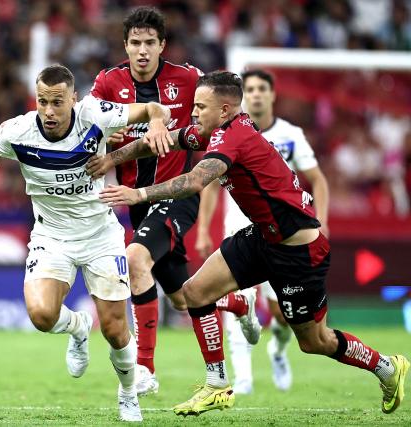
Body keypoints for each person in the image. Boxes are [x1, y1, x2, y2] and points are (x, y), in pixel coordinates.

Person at [88, 70, 409, 417]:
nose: (193, 113)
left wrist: (138, 194)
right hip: (262, 237)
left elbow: (196, 180)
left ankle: (387, 368)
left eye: (201, 107)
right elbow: (165, 139)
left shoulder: (233, 137)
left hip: (299, 250)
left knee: (314, 341)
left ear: (224, 110)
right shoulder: (215, 130)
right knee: (194, 292)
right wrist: (111, 159)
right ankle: (217, 385)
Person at [0, 64, 172, 422]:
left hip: (100, 234)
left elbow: (154, 108)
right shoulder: (18, 131)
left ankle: (128, 393)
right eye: (42, 102)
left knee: (114, 330)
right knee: (41, 314)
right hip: (51, 235)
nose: (48, 111)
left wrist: (157, 121)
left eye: (57, 103)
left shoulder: (94, 114)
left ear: (73, 99)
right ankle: (79, 328)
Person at [90, 6, 260, 396]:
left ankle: (145, 370)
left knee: (135, 260)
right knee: (184, 298)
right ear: (126, 46)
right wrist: (108, 140)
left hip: (177, 195)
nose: (143, 51)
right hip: (136, 202)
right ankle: (237, 304)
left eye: (151, 43)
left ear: (162, 45)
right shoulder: (107, 83)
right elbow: (87, 126)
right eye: (136, 43)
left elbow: (227, 110)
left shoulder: (188, 79)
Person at [197, 69, 330, 394]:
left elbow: (318, 179)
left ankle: (278, 350)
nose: (256, 94)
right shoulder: (219, 134)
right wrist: (202, 229)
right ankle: (241, 379)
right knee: (220, 293)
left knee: (281, 316)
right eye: (251, 88)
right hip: (241, 226)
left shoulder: (289, 134)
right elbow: (210, 183)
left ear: (271, 96)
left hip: (284, 232)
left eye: (261, 89)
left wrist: (321, 221)